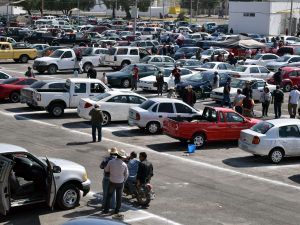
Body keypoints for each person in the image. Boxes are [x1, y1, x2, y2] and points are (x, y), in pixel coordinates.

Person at [103, 149, 128, 215]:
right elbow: (126, 174)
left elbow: (106, 170)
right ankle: (117, 210)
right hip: (120, 183)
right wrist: (123, 180)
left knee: (109, 196)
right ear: (122, 157)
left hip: (112, 181)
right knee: (119, 197)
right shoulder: (124, 165)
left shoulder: (111, 162)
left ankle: (106, 210)